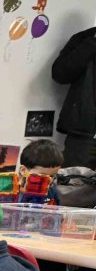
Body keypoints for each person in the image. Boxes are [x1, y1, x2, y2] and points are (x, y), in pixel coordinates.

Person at [52, 26, 96, 168]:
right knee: (75, 186)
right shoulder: (84, 39)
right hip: (84, 137)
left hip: (84, 135)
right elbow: (60, 74)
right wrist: (92, 43)